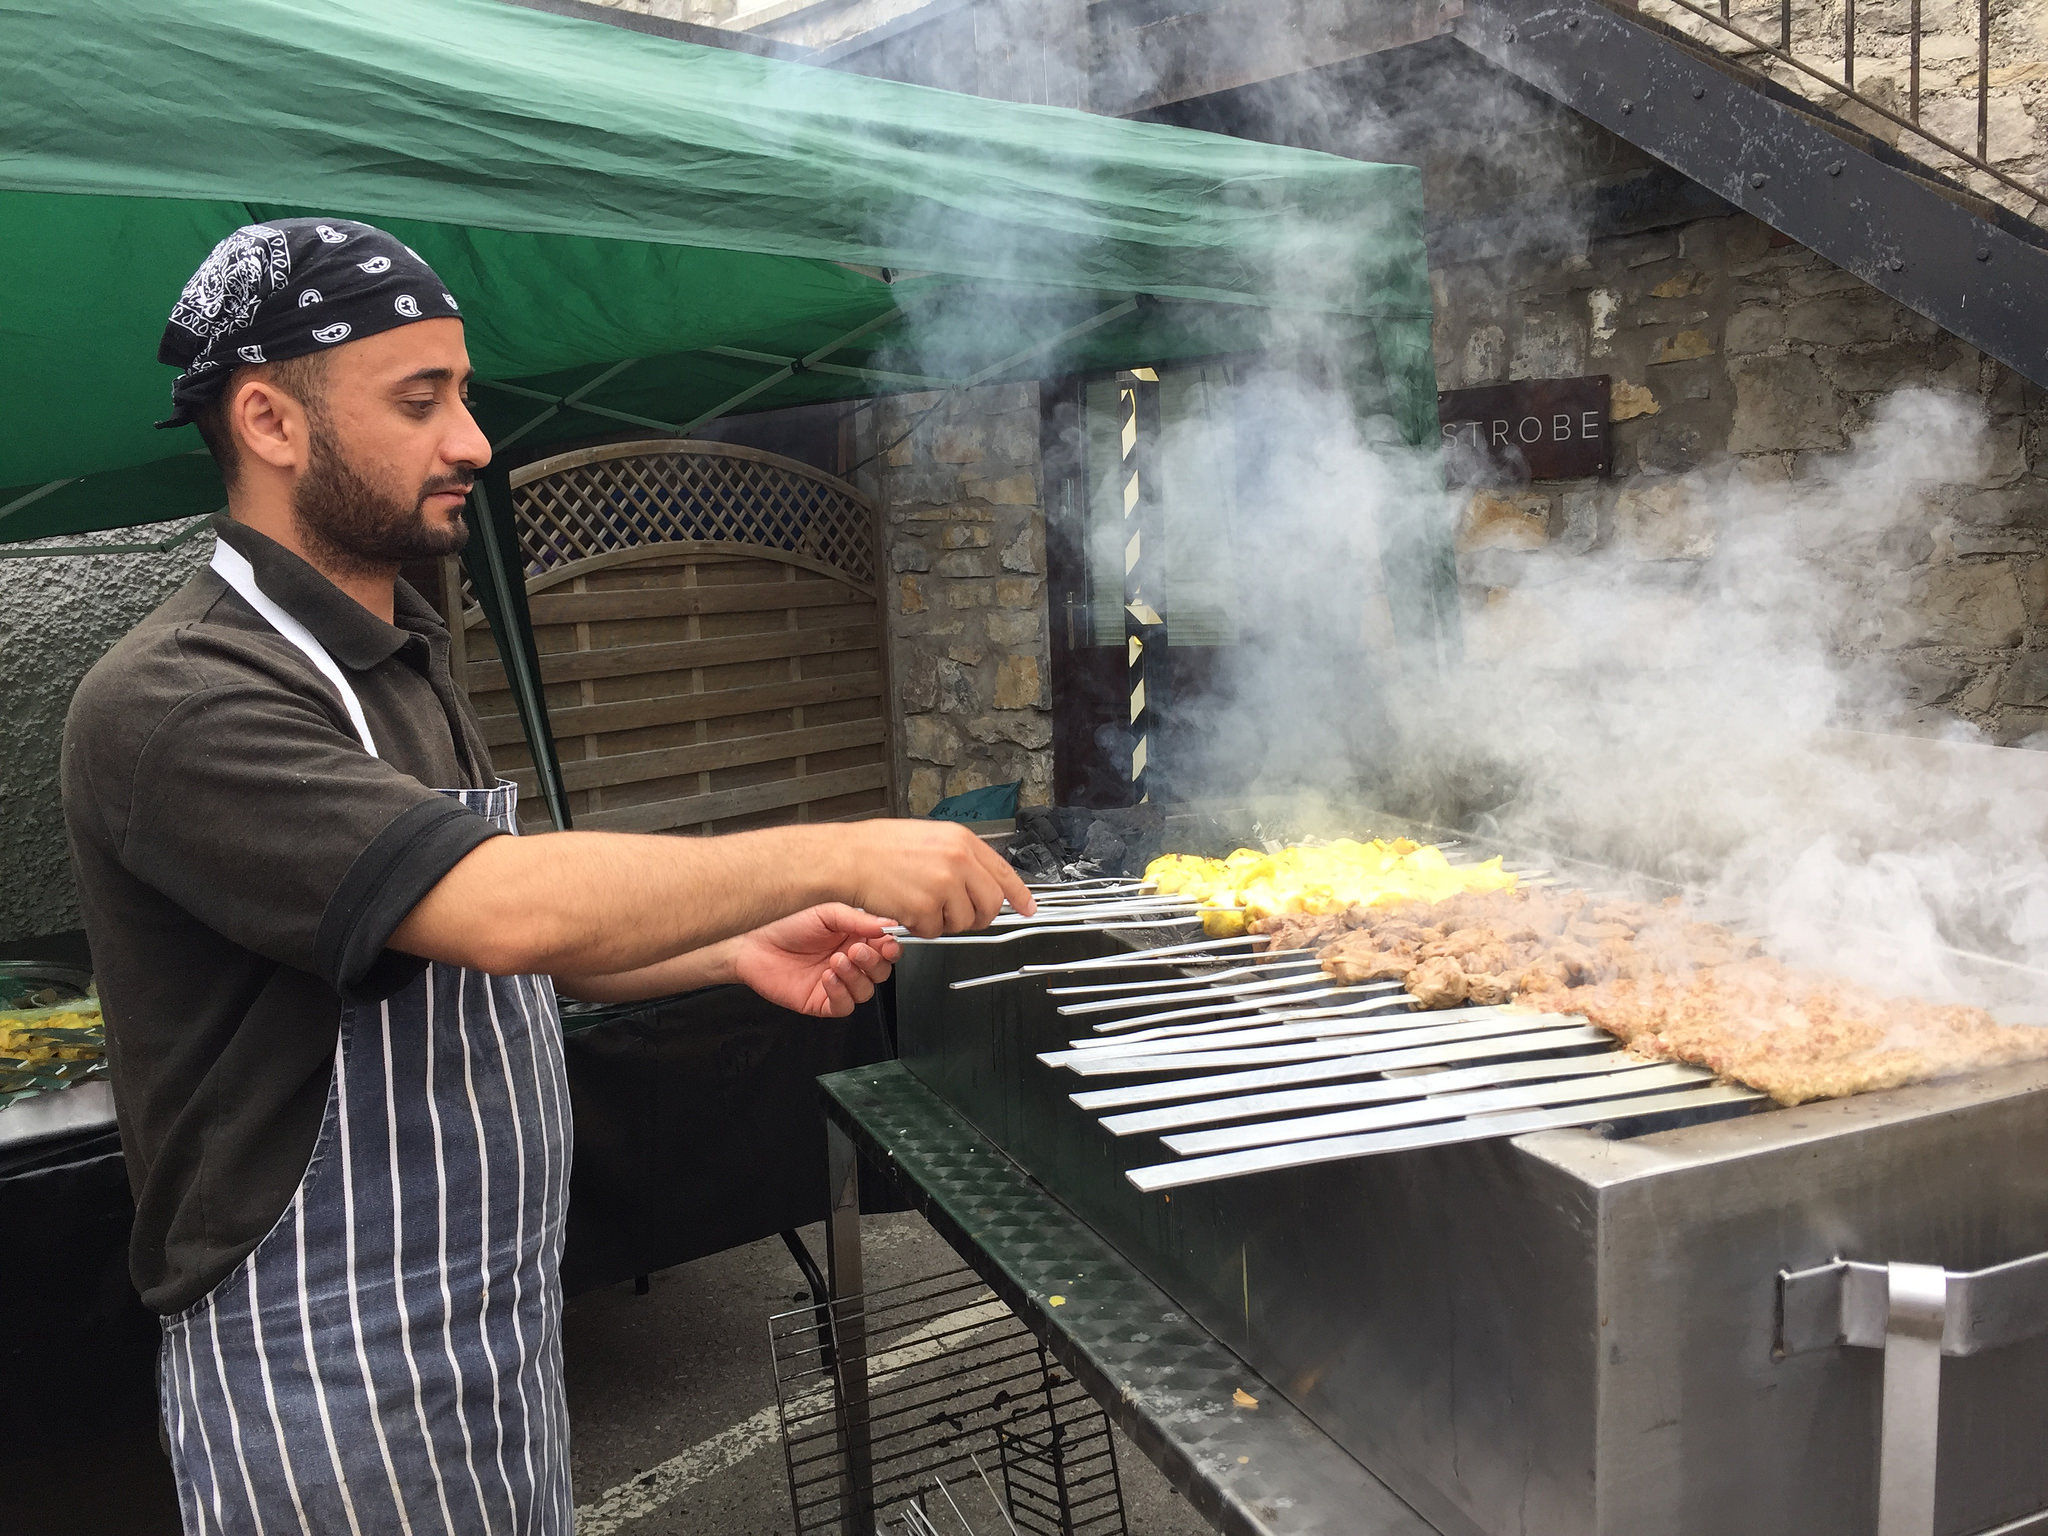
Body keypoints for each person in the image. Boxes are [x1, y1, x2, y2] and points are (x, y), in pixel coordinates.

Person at [60, 218, 1034, 1536]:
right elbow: (508, 908)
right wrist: (847, 845)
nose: (474, 440)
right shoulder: (178, 696)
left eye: (464, 394)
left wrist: (735, 945)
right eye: (423, 399)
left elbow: (522, 936)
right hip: (324, 1371)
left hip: (495, 1332)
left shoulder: (395, 656)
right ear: (270, 421)